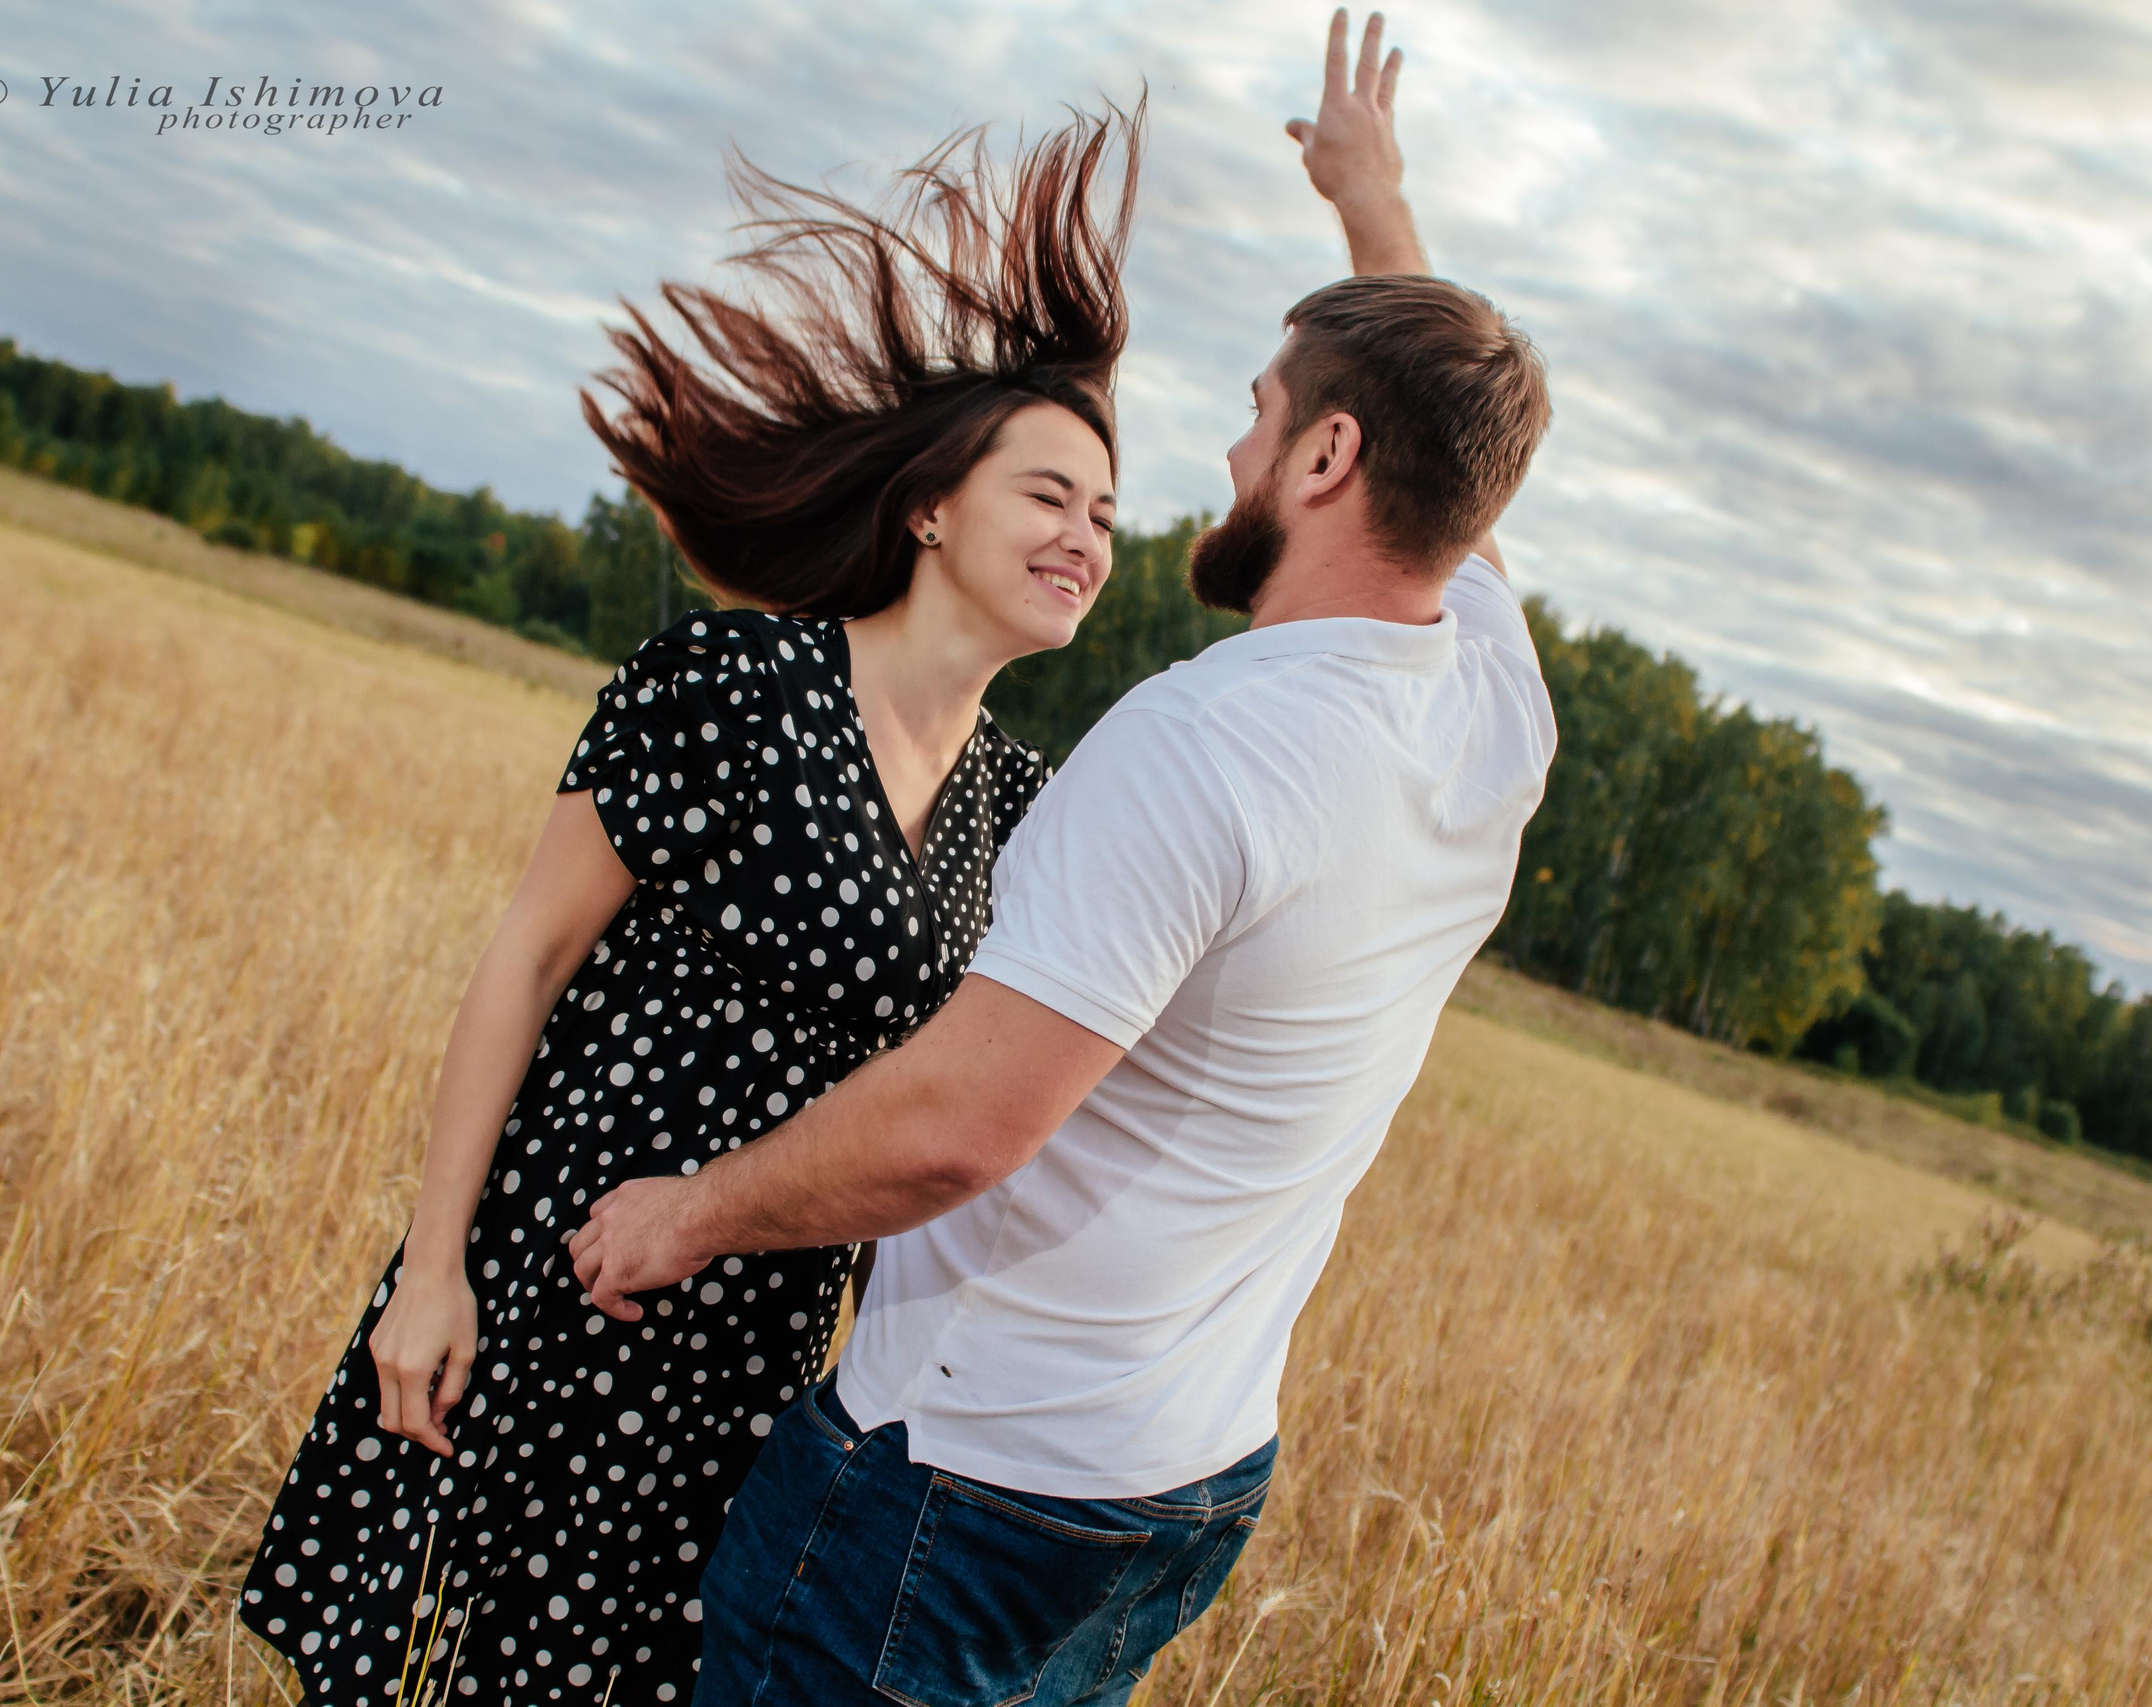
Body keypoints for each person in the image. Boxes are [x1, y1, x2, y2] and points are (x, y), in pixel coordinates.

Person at [565, 11, 1557, 1704]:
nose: (1230, 456)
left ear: (1327, 459)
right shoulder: (1494, 705)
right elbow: (1452, 452)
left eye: (1262, 418)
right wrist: (1369, 201)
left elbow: (962, 1124)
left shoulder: (1200, 740)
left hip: (965, 1478)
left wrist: (689, 1216)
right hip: (1186, 1483)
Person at [240, 104, 1140, 1706]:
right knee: (421, 1672)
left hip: (755, 1361)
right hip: (557, 1272)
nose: (1084, 539)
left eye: (1106, 518)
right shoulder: (730, 682)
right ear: (931, 507)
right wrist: (434, 1268)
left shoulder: (1024, 809)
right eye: (1050, 496)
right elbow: (527, 957)